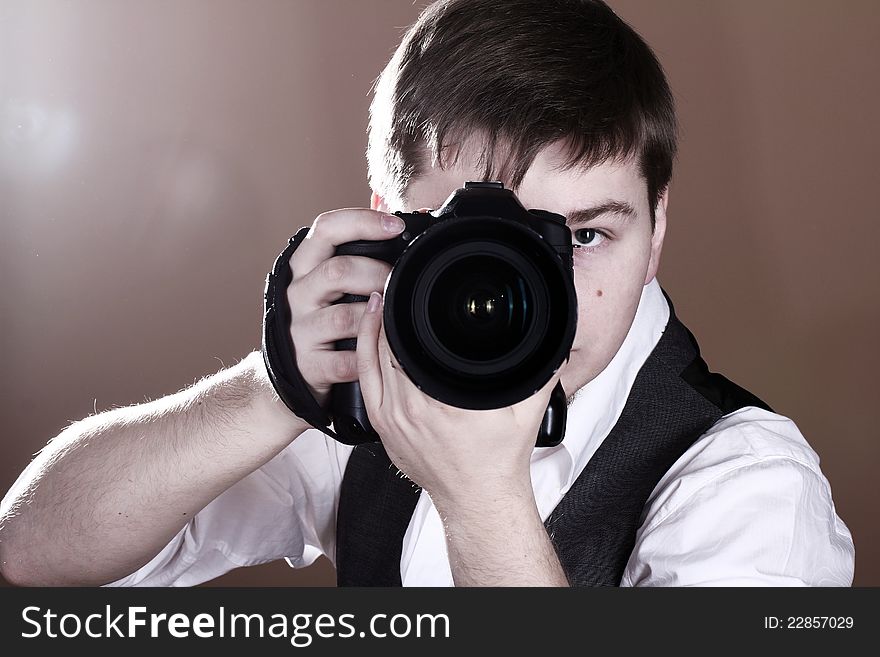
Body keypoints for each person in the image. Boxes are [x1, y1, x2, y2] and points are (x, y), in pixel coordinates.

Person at [0, 0, 854, 587]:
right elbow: (33, 554)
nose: (537, 294)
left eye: (583, 236)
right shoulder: (372, 393)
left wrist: (481, 498)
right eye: (488, 250)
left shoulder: (748, 482)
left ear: (657, 227)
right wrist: (274, 388)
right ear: (388, 225)